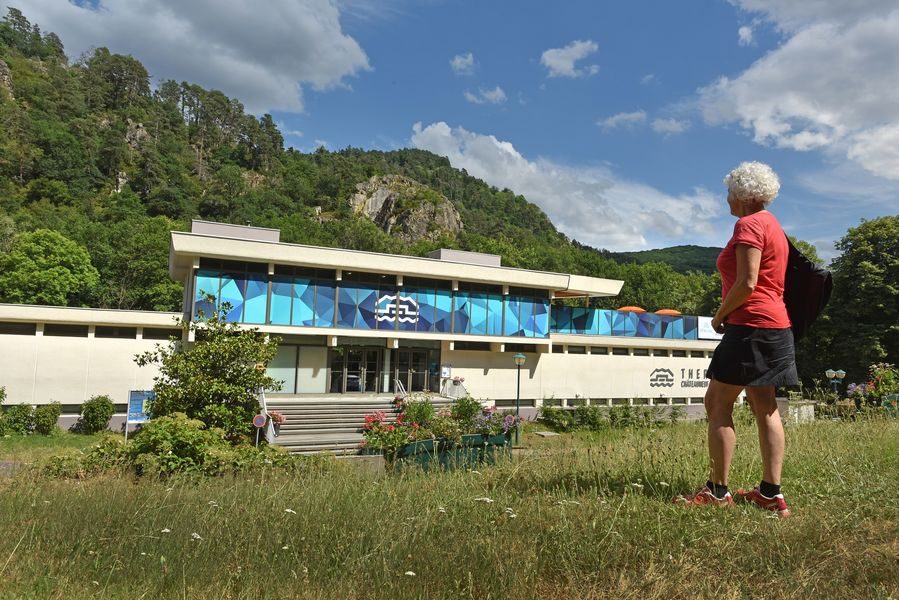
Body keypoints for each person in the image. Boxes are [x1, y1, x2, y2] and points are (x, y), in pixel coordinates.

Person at [675, 161, 797, 518]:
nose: (727, 199)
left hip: (749, 327)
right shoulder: (774, 226)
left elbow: (747, 282)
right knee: (766, 408)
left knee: (716, 403)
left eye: (729, 191)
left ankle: (717, 492)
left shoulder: (748, 225)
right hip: (777, 327)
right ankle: (770, 493)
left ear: (743, 195)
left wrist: (719, 315)